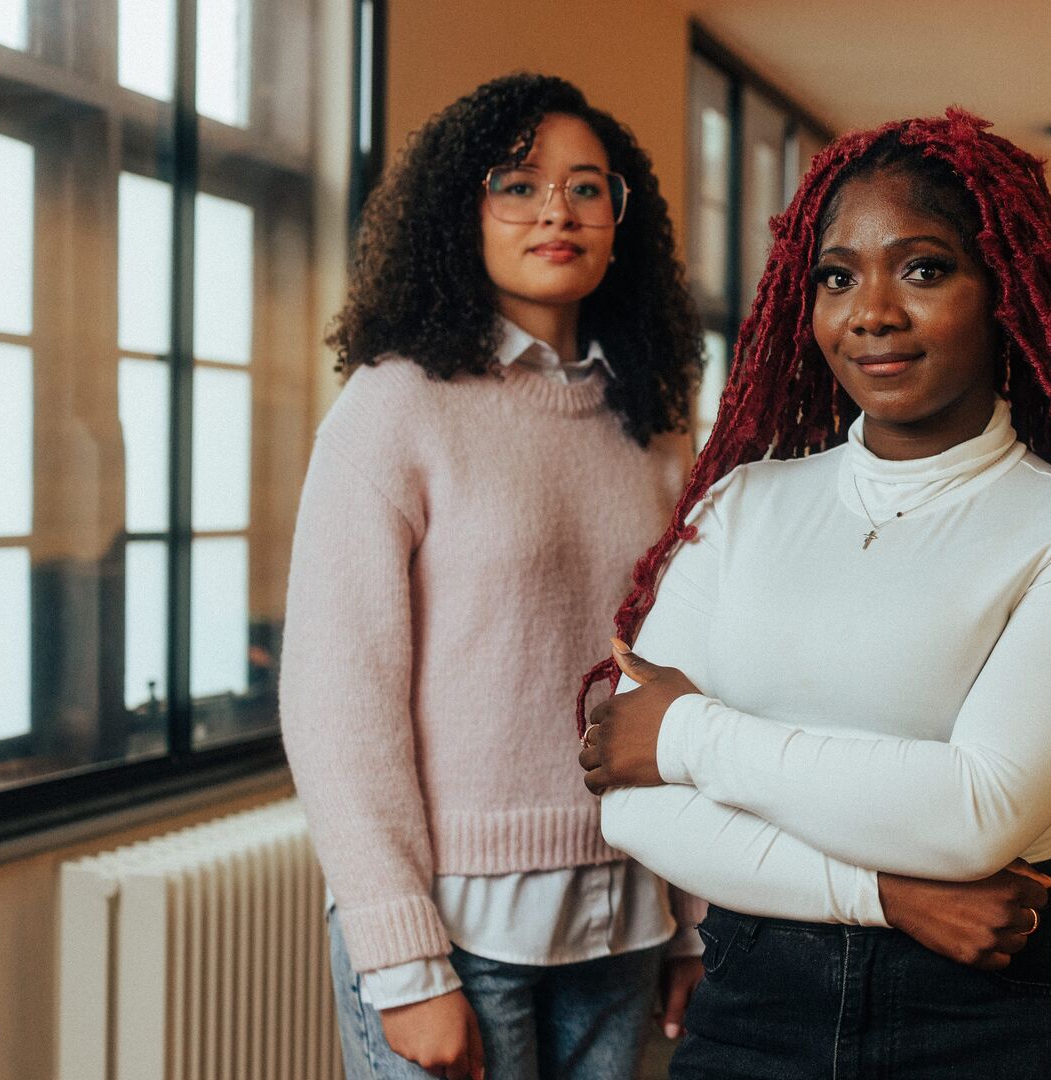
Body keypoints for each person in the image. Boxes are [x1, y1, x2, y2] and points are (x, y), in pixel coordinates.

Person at [573, 111, 1051, 1080]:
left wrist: (689, 734)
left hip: (988, 1013)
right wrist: (889, 893)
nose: (872, 313)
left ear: (1004, 294)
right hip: (753, 1009)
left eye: (923, 268)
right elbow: (633, 807)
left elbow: (974, 812)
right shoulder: (743, 504)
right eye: (837, 276)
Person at [279, 72, 705, 1080]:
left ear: (620, 220)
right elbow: (337, 705)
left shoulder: (649, 421)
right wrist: (404, 963)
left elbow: (684, 679)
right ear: (457, 212)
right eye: (517, 184)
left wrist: (690, 921)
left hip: (627, 924)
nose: (557, 208)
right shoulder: (395, 410)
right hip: (459, 939)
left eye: (588, 187)